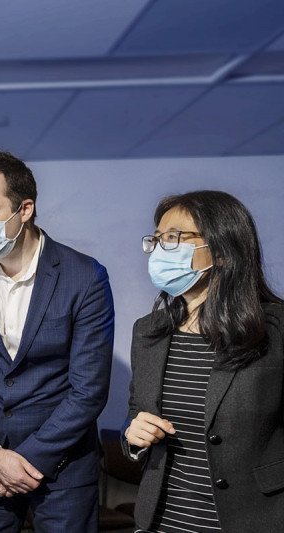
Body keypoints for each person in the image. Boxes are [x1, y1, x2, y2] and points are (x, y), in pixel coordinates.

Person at [0, 150, 114, 532]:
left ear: (25, 209)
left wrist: (25, 460)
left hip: (63, 466)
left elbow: (89, 390)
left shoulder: (85, 276)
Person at [123, 190, 284, 532]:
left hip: (254, 519)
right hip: (164, 520)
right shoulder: (148, 331)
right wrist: (134, 437)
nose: (158, 249)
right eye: (156, 239)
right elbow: (137, 413)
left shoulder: (275, 330)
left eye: (173, 238)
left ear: (224, 251)